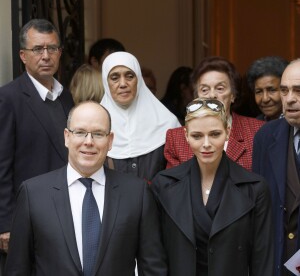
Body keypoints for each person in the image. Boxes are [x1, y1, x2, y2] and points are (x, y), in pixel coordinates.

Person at [4, 101, 168, 276]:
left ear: (110, 140)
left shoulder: (137, 193)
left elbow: (153, 268)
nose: (88, 142)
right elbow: (17, 269)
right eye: (80, 132)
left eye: (98, 134)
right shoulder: (33, 194)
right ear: (67, 137)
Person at [151, 98, 274, 276]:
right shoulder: (163, 185)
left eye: (215, 134)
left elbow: (263, 260)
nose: (206, 144)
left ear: (227, 132)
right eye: (197, 136)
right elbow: (155, 254)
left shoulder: (255, 188)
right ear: (185, 135)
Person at [0, 19, 74, 257]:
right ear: (23, 55)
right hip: (26, 218)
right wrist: (5, 224)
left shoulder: (66, 97)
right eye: (37, 49)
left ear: (60, 53)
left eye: (52, 48)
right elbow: (1, 167)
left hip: (66, 214)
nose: (46, 56)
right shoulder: (8, 99)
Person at [164, 56, 265, 171]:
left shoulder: (257, 131)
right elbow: (174, 186)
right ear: (196, 96)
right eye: (204, 90)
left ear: (233, 95)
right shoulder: (177, 139)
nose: (212, 95)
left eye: (220, 88)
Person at [252, 59, 300, 276]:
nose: (289, 99)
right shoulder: (266, 136)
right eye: (284, 90)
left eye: (298, 91)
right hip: (278, 263)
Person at [101, 51, 180, 181]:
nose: (123, 84)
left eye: (130, 76)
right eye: (114, 78)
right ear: (106, 82)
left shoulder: (167, 123)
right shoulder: (95, 127)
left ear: (139, 80)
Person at [246, 56, 289, 121]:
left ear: (287, 90)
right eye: (259, 92)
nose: (265, 99)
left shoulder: (295, 124)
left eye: (272, 90)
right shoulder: (253, 126)